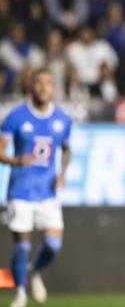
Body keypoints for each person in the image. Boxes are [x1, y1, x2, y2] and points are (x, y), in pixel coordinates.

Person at [0, 68, 73, 307]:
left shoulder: (63, 120)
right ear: (32, 86)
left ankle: (35, 271)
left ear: (53, 88)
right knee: (22, 246)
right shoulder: (16, 117)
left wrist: (62, 174)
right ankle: (20, 293)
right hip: (20, 192)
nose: (42, 87)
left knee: (53, 245)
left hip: (47, 193)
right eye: (38, 83)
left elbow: (66, 149)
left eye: (47, 83)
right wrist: (15, 160)